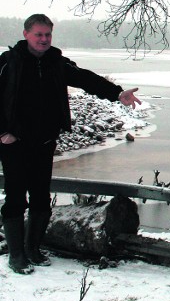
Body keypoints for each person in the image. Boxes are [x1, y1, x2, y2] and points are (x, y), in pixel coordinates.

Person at [0, 14, 141, 275]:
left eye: (47, 35)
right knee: (16, 197)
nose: (44, 39)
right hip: (14, 143)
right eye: (38, 34)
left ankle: (33, 249)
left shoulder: (56, 62)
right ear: (26, 34)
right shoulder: (9, 62)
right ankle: (17, 255)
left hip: (44, 141)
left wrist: (117, 93)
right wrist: (2, 133)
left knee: (41, 198)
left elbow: (86, 79)